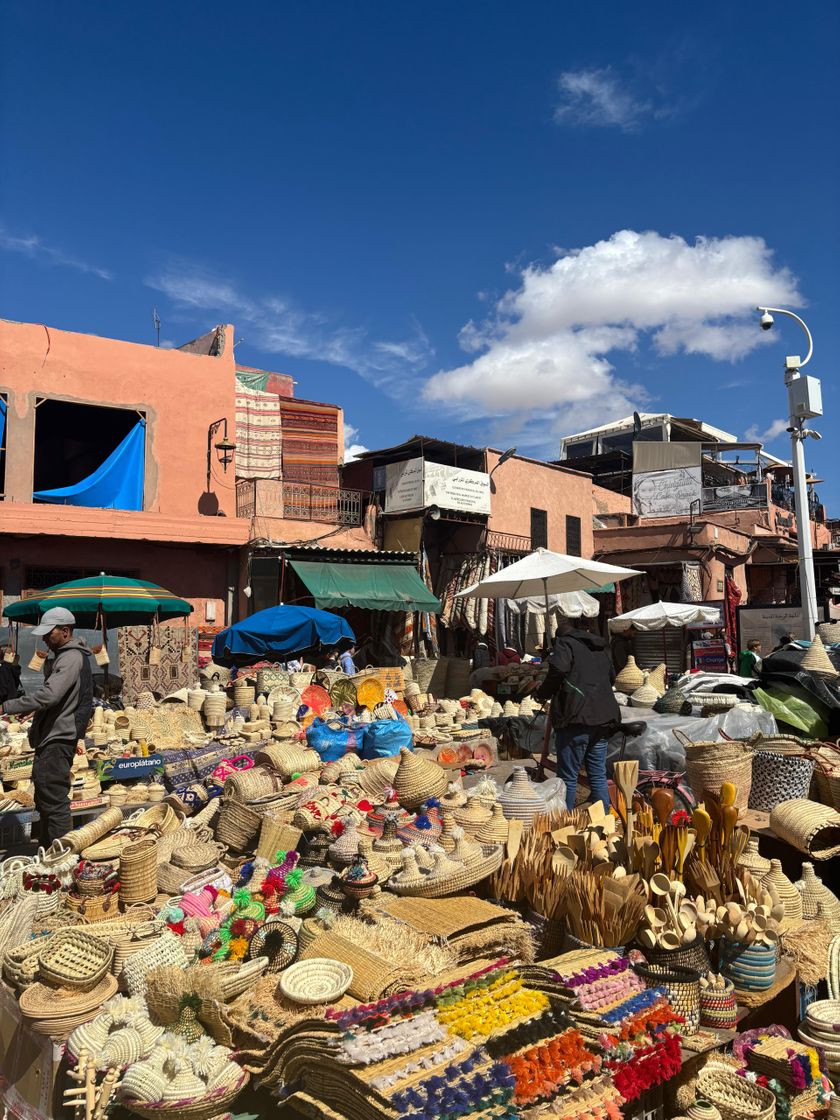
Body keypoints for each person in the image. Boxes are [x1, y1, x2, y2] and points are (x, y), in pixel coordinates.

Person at [0, 608, 93, 844]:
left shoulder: (71, 658)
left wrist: (6, 706)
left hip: (58, 738)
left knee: (54, 801)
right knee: (47, 797)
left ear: (65, 631)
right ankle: (48, 850)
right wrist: (36, 709)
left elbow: (51, 695)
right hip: (53, 736)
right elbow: (58, 698)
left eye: (48, 633)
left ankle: (60, 858)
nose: (44, 638)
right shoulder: (65, 656)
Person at [535, 619, 620, 812]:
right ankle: (604, 824)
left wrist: (543, 693)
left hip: (577, 718)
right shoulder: (598, 646)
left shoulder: (564, 643)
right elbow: (611, 677)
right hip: (604, 718)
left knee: (568, 777)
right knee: (597, 774)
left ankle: (566, 826)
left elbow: (558, 669)